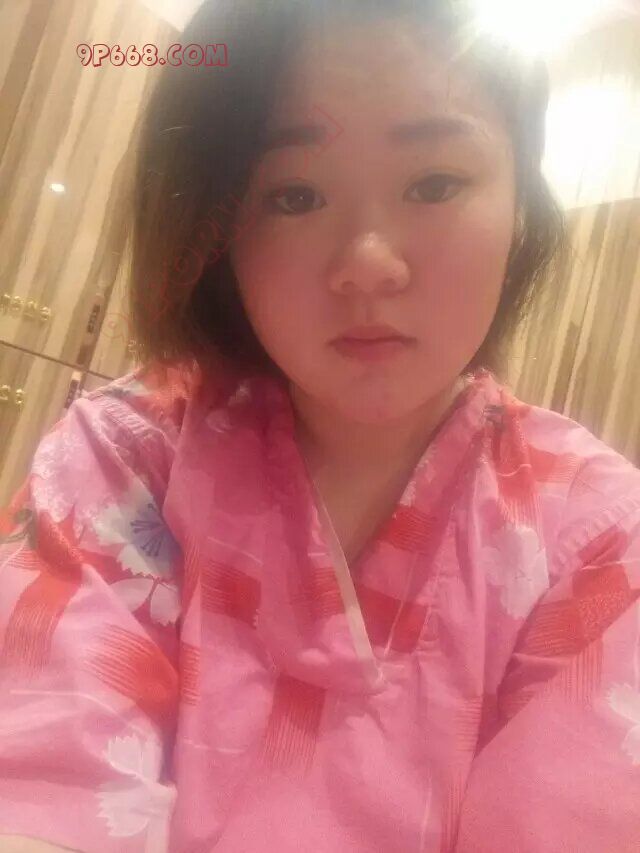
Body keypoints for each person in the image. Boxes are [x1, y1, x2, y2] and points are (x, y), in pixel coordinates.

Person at [1, 1, 639, 850]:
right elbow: (41, 783)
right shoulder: (128, 456)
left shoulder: (602, 537)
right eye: (294, 195)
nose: (367, 263)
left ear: (521, 204)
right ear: (217, 232)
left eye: (434, 183)